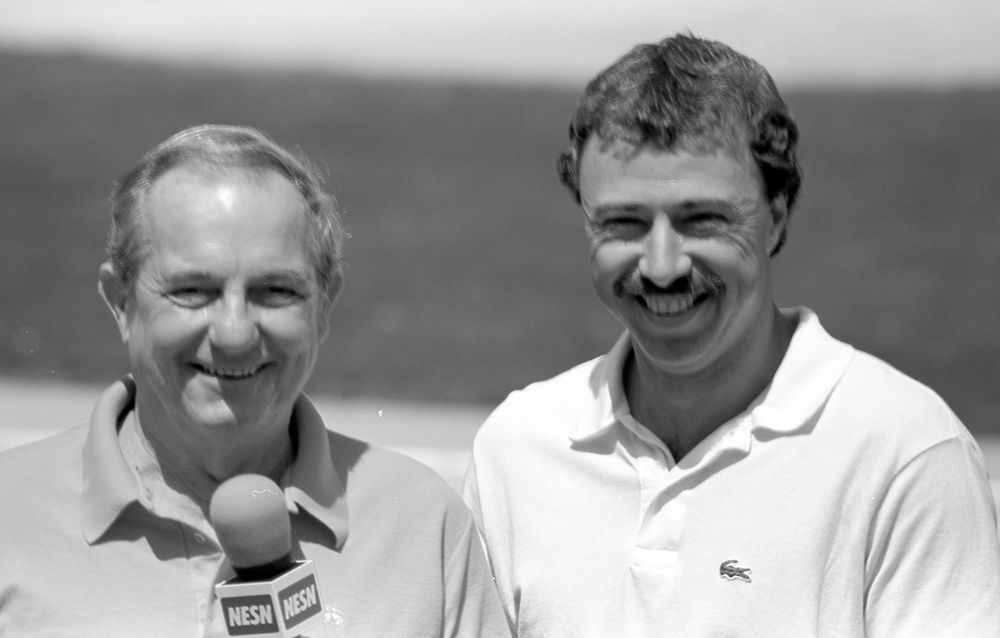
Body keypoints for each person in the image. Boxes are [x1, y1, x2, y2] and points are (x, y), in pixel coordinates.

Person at [464, 33, 1000, 636]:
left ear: (777, 216)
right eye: (623, 223)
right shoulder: (517, 450)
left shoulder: (905, 454)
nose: (662, 265)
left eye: (703, 220)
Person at [0, 124, 507, 637]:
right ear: (121, 303)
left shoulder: (422, 526)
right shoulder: (9, 515)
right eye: (193, 290)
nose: (235, 333)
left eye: (276, 291)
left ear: (324, 307)